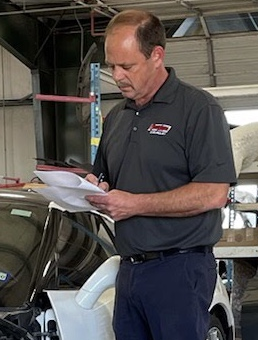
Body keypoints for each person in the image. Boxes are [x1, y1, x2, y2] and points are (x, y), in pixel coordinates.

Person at [84, 9, 236, 340]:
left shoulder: (198, 110)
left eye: (127, 66)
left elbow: (213, 193)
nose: (118, 75)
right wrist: (94, 188)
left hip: (179, 271)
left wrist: (134, 205)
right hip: (129, 271)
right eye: (112, 66)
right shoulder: (116, 119)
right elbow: (105, 179)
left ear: (156, 56)